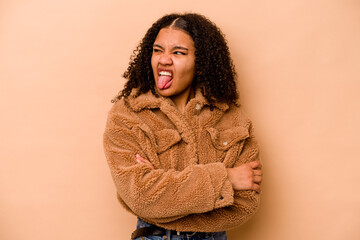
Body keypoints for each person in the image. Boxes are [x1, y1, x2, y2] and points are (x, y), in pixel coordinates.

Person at [103, 13, 263, 240]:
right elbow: (141, 197)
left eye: (178, 52)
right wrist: (225, 179)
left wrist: (163, 194)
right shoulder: (127, 115)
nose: (164, 59)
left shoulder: (233, 119)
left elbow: (245, 205)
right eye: (158, 50)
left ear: (200, 63)